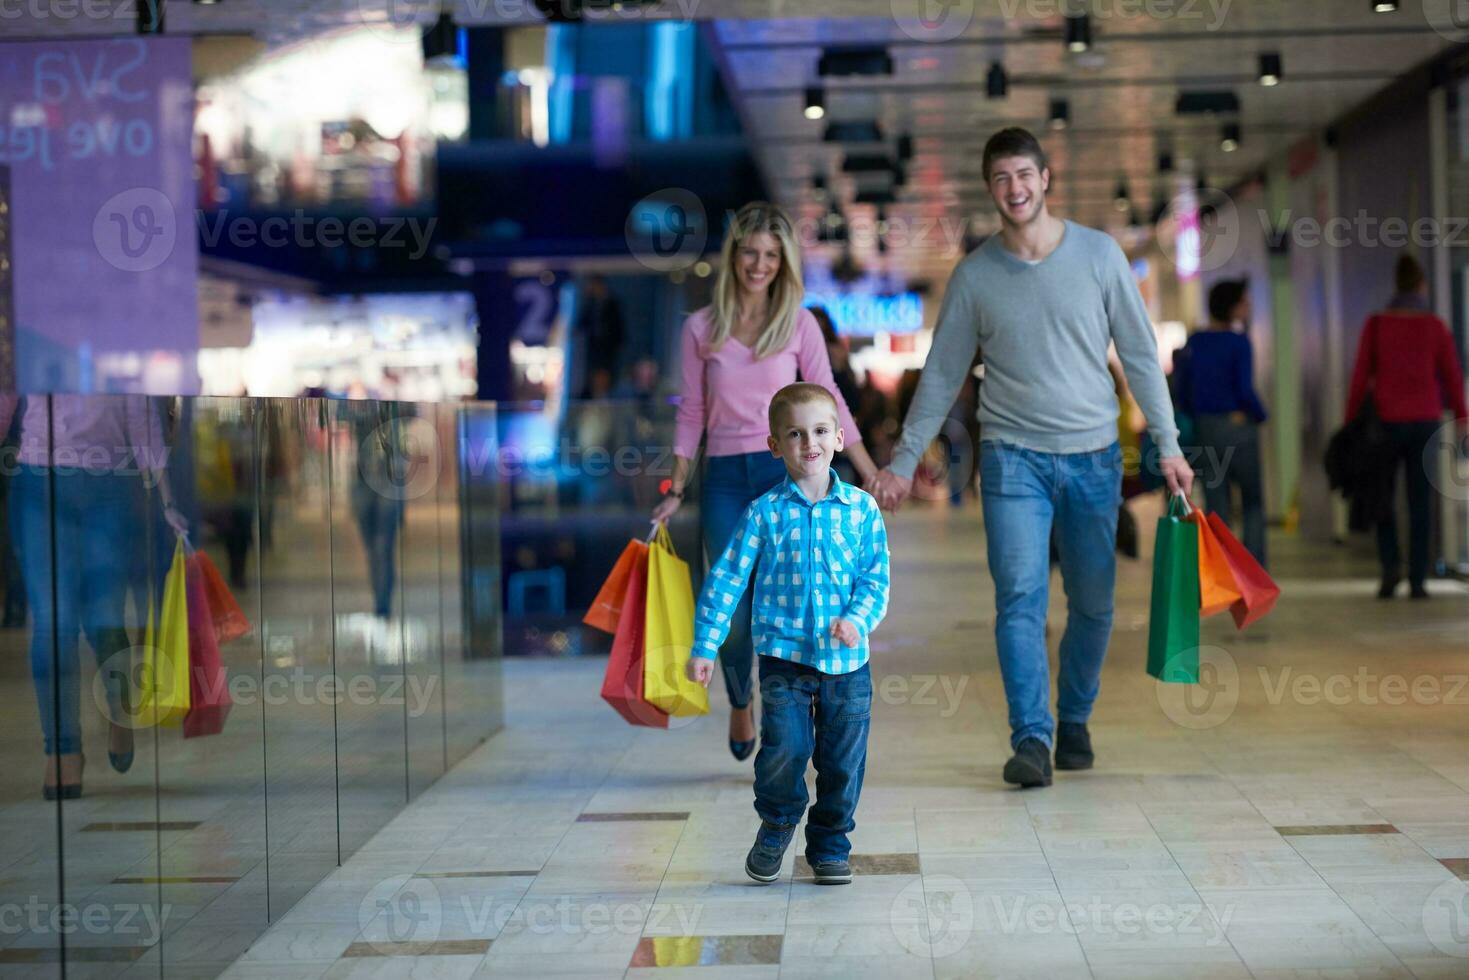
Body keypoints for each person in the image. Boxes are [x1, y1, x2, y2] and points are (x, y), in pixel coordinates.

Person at [870, 127, 1192, 789]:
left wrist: (1168, 443)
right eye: (1000, 178)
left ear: (1045, 179)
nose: (1013, 189)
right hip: (1012, 457)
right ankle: (1030, 740)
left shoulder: (1099, 257)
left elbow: (1138, 354)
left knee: (1094, 604)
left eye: (1023, 174)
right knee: (1019, 599)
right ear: (989, 188)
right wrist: (903, 460)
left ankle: (1073, 717)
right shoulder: (975, 275)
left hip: (1092, 456)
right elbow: (939, 375)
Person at [653, 202, 879, 762]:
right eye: (751, 253)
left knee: (794, 593)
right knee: (729, 606)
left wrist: (870, 469)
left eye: (772, 256)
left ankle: (791, 700)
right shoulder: (700, 328)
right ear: (734, 256)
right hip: (726, 476)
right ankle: (740, 698)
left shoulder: (798, 322)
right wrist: (675, 486)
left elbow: (828, 398)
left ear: (784, 263)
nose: (760, 265)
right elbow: (690, 414)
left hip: (788, 473)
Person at [685, 383, 889, 885]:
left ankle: (830, 843)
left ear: (840, 438)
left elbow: (875, 577)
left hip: (847, 662)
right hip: (783, 659)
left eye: (820, 431)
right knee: (785, 750)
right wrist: (706, 644)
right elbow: (727, 578)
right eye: (795, 434)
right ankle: (777, 822)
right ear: (774, 445)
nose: (809, 443)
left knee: (843, 761)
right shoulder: (763, 514)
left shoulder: (862, 510)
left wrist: (857, 619)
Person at [0, 394, 189, 799]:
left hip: (110, 486)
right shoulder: (29, 332)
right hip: (39, 484)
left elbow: (140, 414)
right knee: (53, 623)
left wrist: (167, 498)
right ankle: (62, 750)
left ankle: (119, 709)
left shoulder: (116, 333)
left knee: (104, 621)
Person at [1345, 254, 1468, 599]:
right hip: (1425, 422)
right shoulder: (1434, 326)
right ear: (1421, 286)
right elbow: (1452, 375)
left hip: (1384, 423)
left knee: (1382, 497)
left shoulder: (1377, 323)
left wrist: (1351, 420)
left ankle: (1390, 568)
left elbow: (1360, 376)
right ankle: (1417, 578)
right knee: (1420, 501)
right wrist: (1462, 416)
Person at [1174, 279, 1269, 567]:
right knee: (1252, 502)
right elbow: (1244, 389)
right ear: (1232, 306)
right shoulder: (1239, 343)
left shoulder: (1195, 343)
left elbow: (1180, 391)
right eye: (1244, 300)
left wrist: (1198, 414)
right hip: (1237, 428)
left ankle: (1222, 570)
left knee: (1218, 503)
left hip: (1206, 429)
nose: (1248, 305)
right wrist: (1261, 415)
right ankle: (1252, 570)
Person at [578, 275, 624, 399]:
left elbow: (618, 327)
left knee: (603, 368)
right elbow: (582, 323)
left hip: (607, 347)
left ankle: (603, 394)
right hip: (594, 346)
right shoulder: (591, 303)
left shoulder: (612, 303)